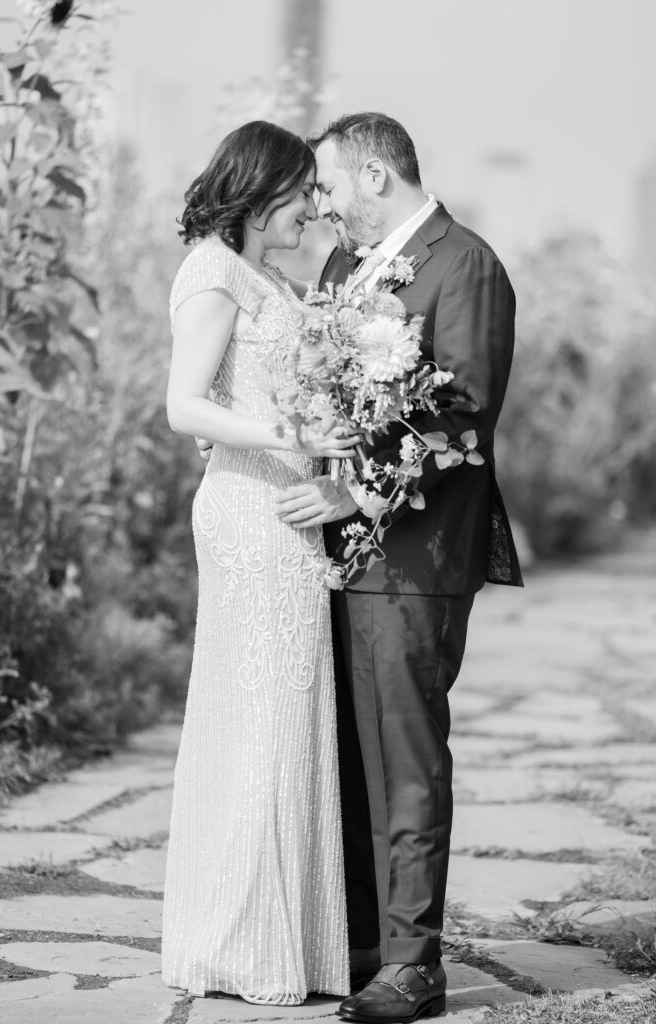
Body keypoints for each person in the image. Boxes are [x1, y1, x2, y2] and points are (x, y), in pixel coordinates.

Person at [276, 112, 523, 1023]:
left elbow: (463, 417)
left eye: (332, 186)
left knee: (406, 755)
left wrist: (361, 496)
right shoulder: (346, 271)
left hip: (414, 552)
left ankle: (416, 965)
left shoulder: (466, 265)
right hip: (331, 555)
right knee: (345, 751)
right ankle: (360, 946)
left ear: (375, 175)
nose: (326, 206)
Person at [162, 120, 360, 1007]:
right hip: (247, 511)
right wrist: (298, 434)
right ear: (257, 189)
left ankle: (283, 934)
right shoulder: (212, 269)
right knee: (266, 717)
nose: (310, 209)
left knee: (283, 717)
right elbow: (182, 407)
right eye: (299, 194)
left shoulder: (270, 275)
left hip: (287, 511)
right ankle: (243, 938)